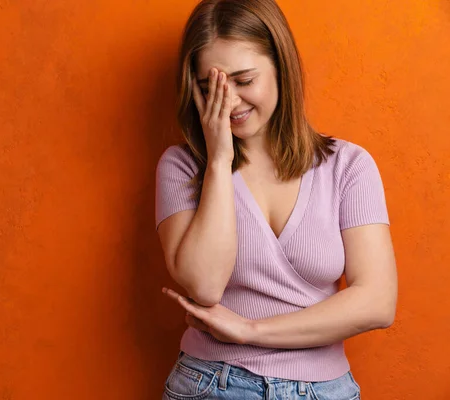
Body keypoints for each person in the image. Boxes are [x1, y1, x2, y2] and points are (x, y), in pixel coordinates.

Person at [155, 0, 398, 399]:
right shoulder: (181, 166)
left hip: (324, 390)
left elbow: (377, 301)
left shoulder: (349, 166)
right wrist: (219, 161)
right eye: (209, 88)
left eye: (244, 80)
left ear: (280, 69)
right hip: (210, 385)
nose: (229, 102)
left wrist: (252, 331)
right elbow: (206, 286)